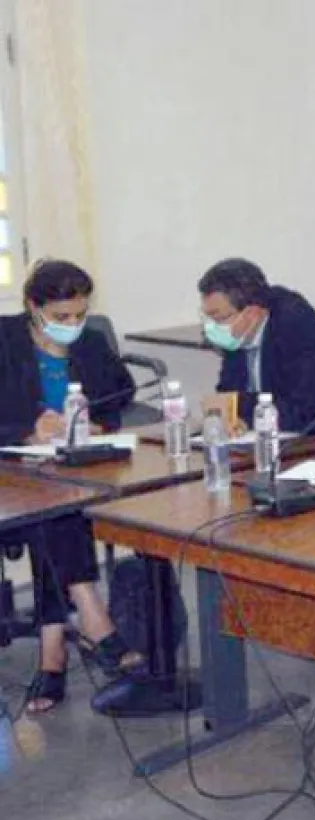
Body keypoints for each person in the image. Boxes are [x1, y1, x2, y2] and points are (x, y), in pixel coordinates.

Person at [0, 260, 144, 712]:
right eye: (61, 317)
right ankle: (92, 617)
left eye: (80, 314)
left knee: (60, 506)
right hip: (12, 469)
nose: (73, 325)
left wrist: (97, 423)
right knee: (57, 510)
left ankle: (53, 654)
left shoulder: (92, 342)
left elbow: (121, 393)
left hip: (73, 465)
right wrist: (27, 429)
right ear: (32, 307)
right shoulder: (3, 341)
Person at [199, 258, 315, 434]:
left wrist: (238, 405)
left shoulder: (295, 323)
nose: (212, 327)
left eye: (219, 318)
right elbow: (227, 393)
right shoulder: (236, 337)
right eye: (208, 317)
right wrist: (234, 418)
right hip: (275, 439)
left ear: (252, 313)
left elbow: (305, 410)